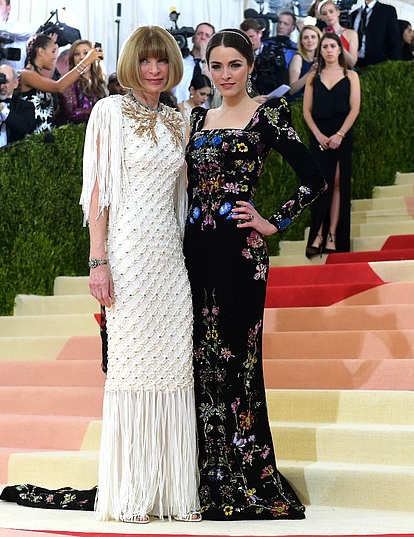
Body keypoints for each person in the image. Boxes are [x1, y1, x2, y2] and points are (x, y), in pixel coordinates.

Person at [184, 28, 325, 520]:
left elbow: (315, 178)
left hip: (241, 256)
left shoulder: (269, 115)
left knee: (238, 362)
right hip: (194, 254)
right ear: (206, 68)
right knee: (201, 361)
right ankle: (204, 468)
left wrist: (273, 221)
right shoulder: (197, 118)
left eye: (234, 66)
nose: (225, 75)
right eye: (216, 66)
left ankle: (245, 473)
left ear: (250, 65)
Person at [81, 25, 200, 524]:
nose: (155, 70)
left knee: (174, 371)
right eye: (146, 61)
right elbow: (98, 194)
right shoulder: (107, 112)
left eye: (163, 62)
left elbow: (183, 201)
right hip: (126, 258)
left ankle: (173, 494)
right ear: (132, 64)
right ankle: (131, 493)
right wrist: (98, 260)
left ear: (173, 66)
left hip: (170, 261)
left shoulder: (179, 122)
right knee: (131, 371)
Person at [302, 32, 360, 256]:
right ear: (320, 50)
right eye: (324, 46)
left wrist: (340, 134)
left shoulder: (351, 76)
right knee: (320, 186)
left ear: (339, 49)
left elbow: (354, 108)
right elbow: (306, 111)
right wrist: (317, 135)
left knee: (338, 184)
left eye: (333, 46)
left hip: (341, 134)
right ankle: (317, 234)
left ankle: (333, 236)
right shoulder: (312, 77)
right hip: (319, 135)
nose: (328, 50)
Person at [17, 33, 102, 134]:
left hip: (44, 141)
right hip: (30, 142)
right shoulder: (25, 74)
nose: (54, 57)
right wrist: (86, 61)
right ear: (40, 51)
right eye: (53, 51)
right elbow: (59, 86)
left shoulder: (39, 76)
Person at [58, 40, 107, 125]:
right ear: (72, 59)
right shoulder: (70, 83)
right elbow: (72, 113)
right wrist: (100, 110)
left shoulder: (97, 81)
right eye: (77, 54)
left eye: (86, 53)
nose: (81, 57)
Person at [240, 18, 288, 98]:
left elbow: (282, 79)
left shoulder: (275, 53)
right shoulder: (239, 57)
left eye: (251, 36)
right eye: (245, 38)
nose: (249, 41)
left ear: (260, 34)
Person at [350, 0, 402, 68]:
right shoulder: (355, 13)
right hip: (354, 61)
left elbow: (395, 40)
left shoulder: (387, 11)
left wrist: (394, 65)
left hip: (377, 63)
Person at [174, 22, 215, 105]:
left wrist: (204, 59)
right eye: (200, 34)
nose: (203, 37)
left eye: (207, 35)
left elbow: (212, 88)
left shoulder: (213, 66)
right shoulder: (180, 62)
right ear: (193, 38)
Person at [317, 0, 358, 68]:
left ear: (338, 12)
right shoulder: (320, 35)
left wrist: (338, 43)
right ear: (322, 18)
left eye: (331, 11)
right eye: (325, 14)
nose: (328, 15)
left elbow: (352, 63)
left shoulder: (351, 34)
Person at [287, 25, 322, 101]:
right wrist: (310, 73)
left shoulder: (322, 58)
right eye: (306, 38)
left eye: (313, 37)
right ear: (301, 42)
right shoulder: (297, 58)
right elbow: (292, 90)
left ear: (319, 39)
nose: (310, 40)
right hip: (298, 102)